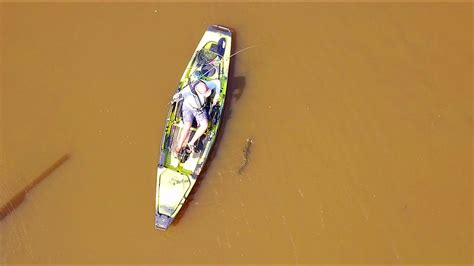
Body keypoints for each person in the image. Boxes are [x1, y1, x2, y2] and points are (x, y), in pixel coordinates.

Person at [171, 79, 220, 156]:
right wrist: (175, 98)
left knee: (205, 125)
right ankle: (178, 147)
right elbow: (177, 96)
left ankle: (191, 143)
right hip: (188, 108)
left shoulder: (207, 84)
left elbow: (218, 82)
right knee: (187, 126)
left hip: (199, 109)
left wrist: (216, 96)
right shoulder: (187, 90)